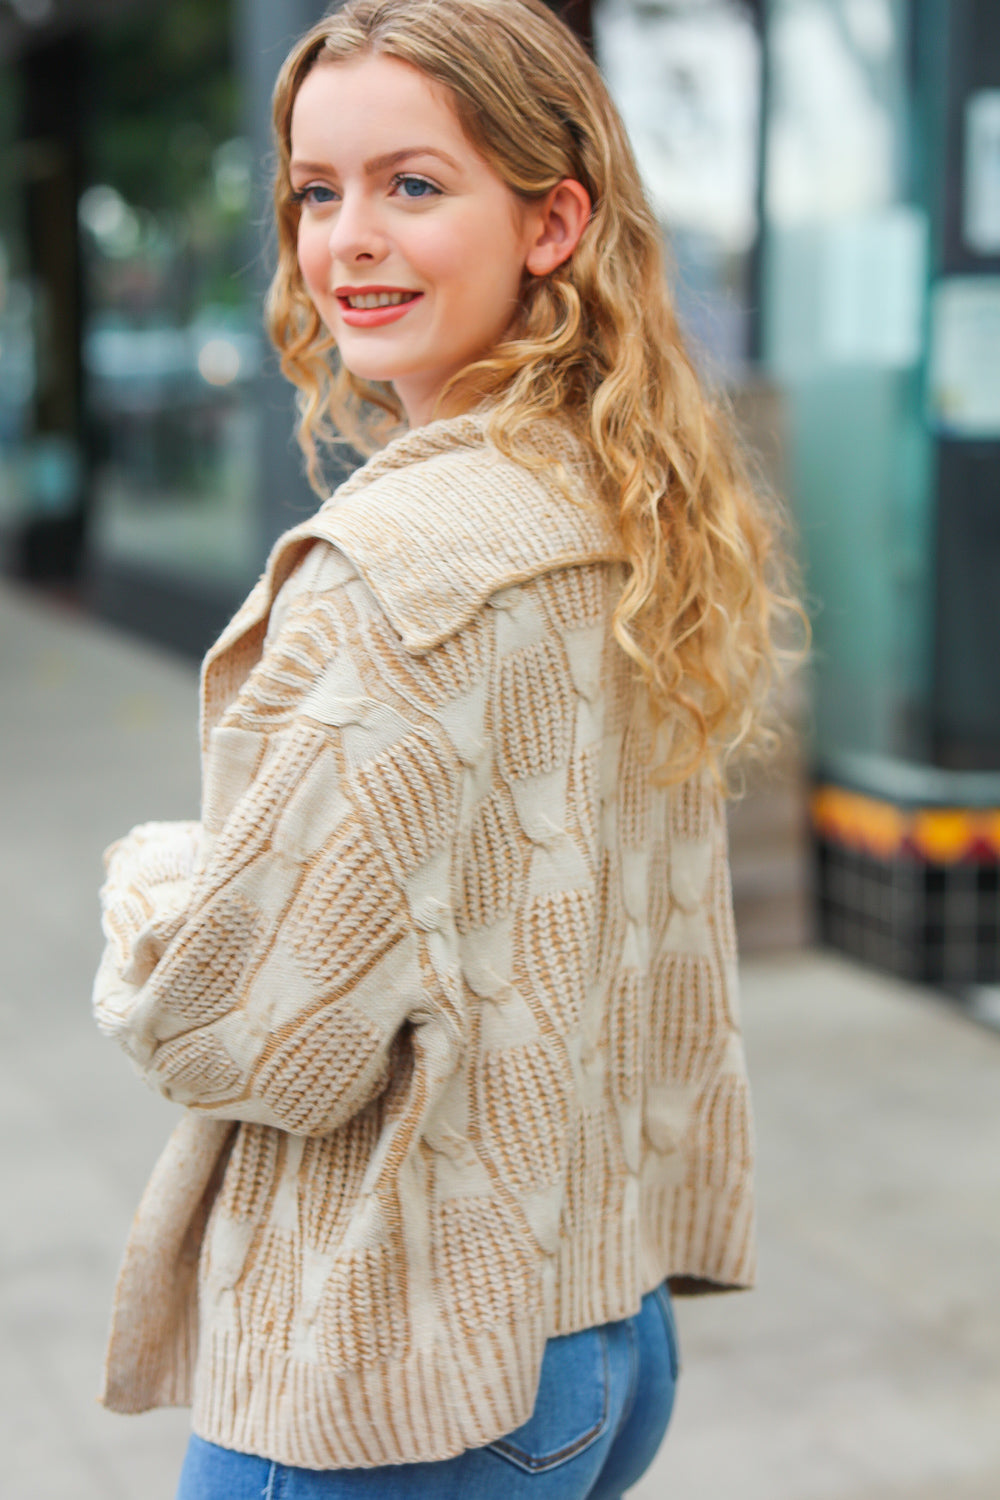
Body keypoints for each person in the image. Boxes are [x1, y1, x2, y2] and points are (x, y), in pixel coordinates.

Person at [92, 2, 800, 1496]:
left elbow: (246, 1031)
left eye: (413, 186)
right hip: (599, 1332)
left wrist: (161, 885)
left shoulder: (396, 571)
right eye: (316, 190)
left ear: (552, 223)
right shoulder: (622, 507)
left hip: (394, 1371)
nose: (347, 238)